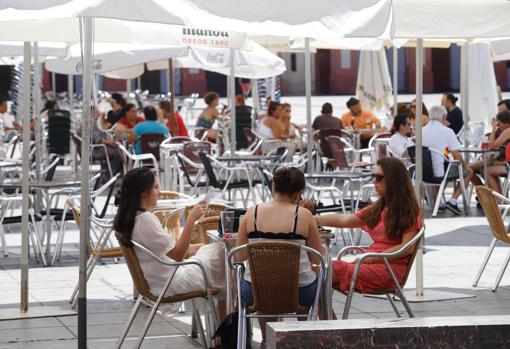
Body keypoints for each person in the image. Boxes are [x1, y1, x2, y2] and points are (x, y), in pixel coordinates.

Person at [113, 167, 226, 318]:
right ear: (143, 192)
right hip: (170, 282)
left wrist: (196, 248)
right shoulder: (145, 220)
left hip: (160, 280)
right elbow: (177, 255)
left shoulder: (132, 218)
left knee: (212, 251)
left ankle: (221, 327)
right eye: (155, 187)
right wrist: (191, 219)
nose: (159, 192)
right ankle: (226, 327)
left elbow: (168, 252)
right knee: (223, 252)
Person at [235, 167, 323, 343]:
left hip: (256, 293)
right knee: (317, 278)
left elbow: (240, 256)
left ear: (273, 188)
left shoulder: (252, 212)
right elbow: (316, 258)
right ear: (299, 194)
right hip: (300, 293)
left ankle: (268, 341)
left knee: (262, 286)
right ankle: (304, 341)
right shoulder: (304, 216)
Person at [315, 157, 421, 294]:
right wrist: (313, 219)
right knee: (319, 273)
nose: (373, 181)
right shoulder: (380, 207)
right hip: (369, 263)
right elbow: (344, 220)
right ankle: (325, 315)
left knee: (320, 273)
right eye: (373, 176)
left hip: (388, 270)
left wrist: (374, 257)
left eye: (378, 177)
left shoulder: (410, 211)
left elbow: (407, 248)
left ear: (393, 180)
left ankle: (310, 313)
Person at [422, 105, 473, 215]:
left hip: (423, 173)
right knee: (468, 172)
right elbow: (457, 156)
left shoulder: (421, 131)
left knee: (442, 165)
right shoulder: (447, 131)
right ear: (444, 116)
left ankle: (438, 202)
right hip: (440, 173)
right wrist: (466, 166)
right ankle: (453, 201)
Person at [468, 110, 510, 194]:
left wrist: (493, 128)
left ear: (506, 123)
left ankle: (495, 199)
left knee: (482, 170)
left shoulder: (508, 131)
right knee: (471, 168)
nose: (498, 126)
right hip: (500, 159)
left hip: (504, 162)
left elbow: (492, 146)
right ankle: (489, 196)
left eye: (499, 124)